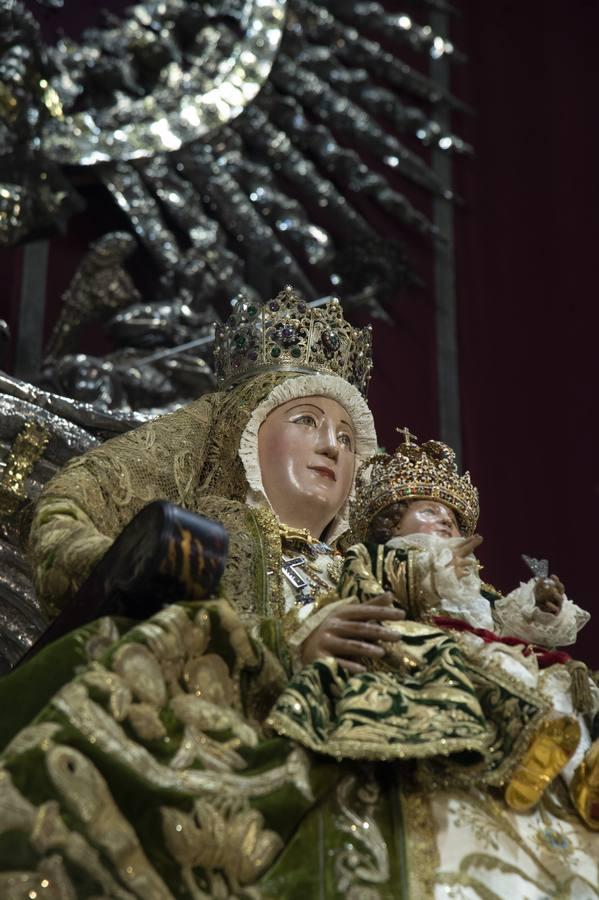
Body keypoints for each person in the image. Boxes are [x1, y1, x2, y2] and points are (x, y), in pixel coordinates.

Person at [0, 291, 598, 899]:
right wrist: (281, 644)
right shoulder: (213, 536)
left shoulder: (365, 565)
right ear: (245, 433)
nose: (333, 446)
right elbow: (82, 544)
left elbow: (476, 620)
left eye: (345, 433)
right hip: (285, 744)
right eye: (307, 421)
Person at [269, 430, 599, 826]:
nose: (444, 520)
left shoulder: (472, 580)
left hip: (491, 645)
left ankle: (582, 773)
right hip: (432, 648)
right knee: (505, 675)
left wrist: (541, 609)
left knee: (564, 684)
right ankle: (527, 752)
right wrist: (428, 576)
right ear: (391, 526)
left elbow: (502, 615)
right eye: (429, 512)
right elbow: (362, 591)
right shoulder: (377, 555)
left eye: (452, 519)